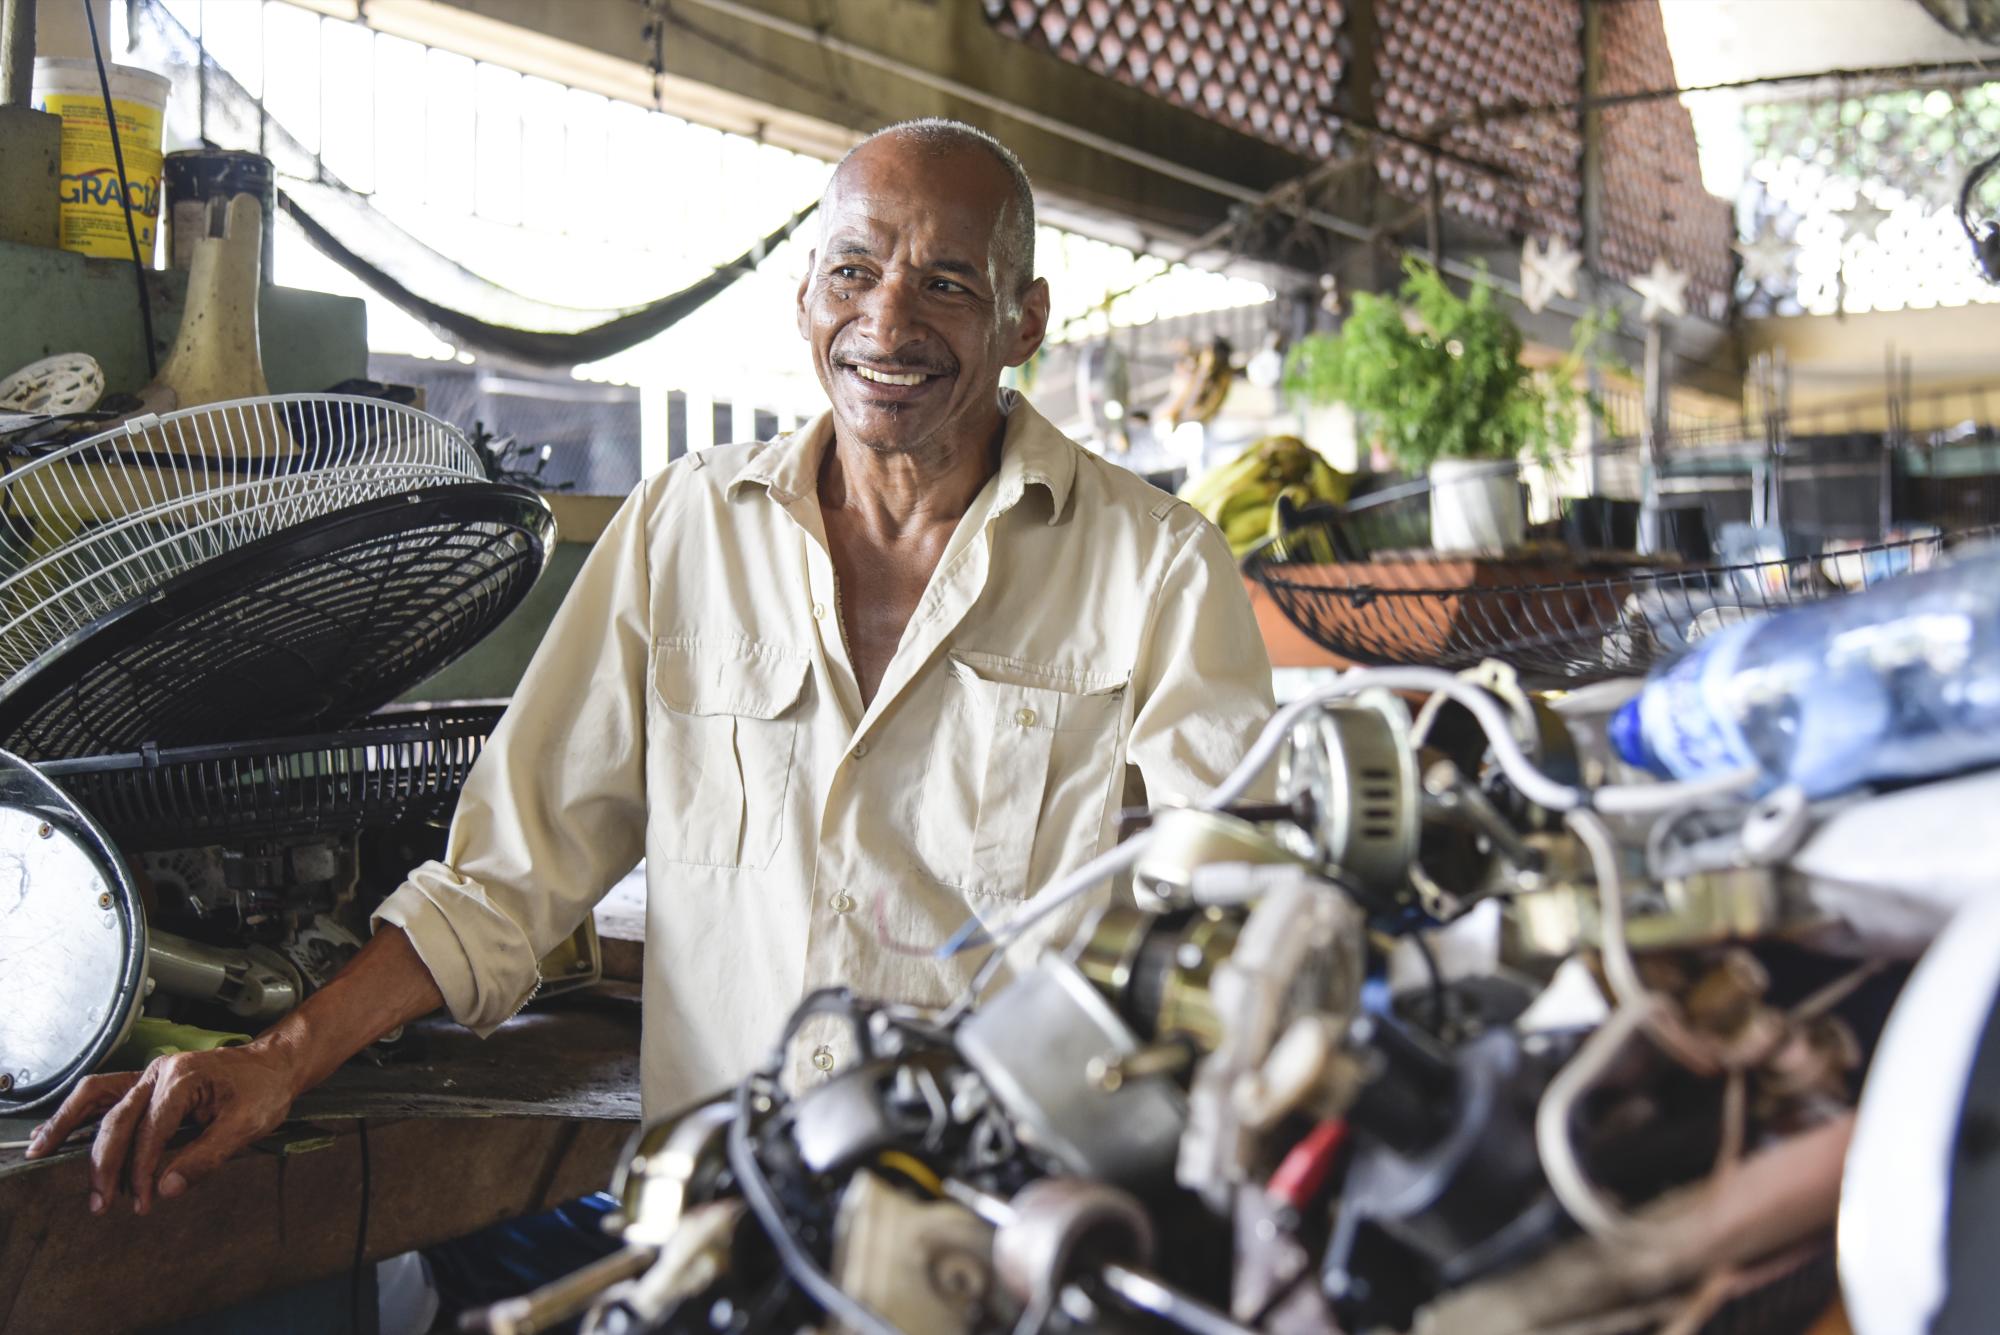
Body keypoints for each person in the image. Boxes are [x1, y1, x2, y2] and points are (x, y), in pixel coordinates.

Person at [27, 118, 1275, 1217]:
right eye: (853, 272)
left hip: (996, 1226)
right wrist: (278, 1059)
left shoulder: (1153, 565)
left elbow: (1247, 923)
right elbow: (508, 878)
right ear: (805, 296)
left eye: (947, 283)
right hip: (724, 1218)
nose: (887, 322)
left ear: (1024, 320)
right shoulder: (683, 529)